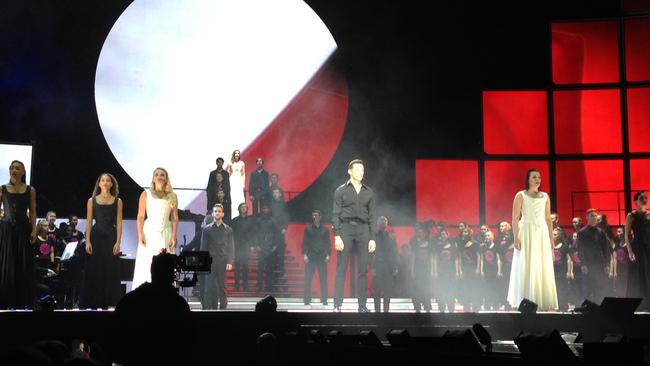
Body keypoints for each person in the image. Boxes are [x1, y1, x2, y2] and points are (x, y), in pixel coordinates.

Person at [112, 253, 195, 365]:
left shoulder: (131, 300)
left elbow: (116, 342)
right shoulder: (179, 305)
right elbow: (188, 346)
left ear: (152, 271)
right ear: (172, 274)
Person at [507, 169, 558, 311]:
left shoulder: (545, 196)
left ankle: (541, 301)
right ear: (528, 179)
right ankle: (525, 300)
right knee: (526, 264)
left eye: (539, 177)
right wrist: (516, 237)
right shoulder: (521, 195)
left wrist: (551, 238)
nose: (537, 179)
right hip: (526, 231)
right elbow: (515, 217)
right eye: (534, 177)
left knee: (541, 264)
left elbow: (548, 218)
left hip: (541, 233)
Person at [332, 159, 376, 313]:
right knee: (341, 268)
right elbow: (335, 214)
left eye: (363, 170)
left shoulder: (368, 191)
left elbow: (372, 216)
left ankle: (362, 306)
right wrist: (337, 236)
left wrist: (372, 238)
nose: (361, 173)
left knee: (363, 270)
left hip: (363, 230)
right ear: (350, 171)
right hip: (345, 229)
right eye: (358, 170)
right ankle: (337, 304)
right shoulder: (341, 191)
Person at [80, 173, 123, 309]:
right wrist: (87, 241)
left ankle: (108, 301)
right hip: (96, 236)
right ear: (99, 184)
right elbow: (88, 222)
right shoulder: (91, 200)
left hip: (111, 236)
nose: (105, 182)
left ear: (111, 184)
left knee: (109, 268)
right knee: (95, 269)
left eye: (107, 180)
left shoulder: (118, 201)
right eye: (102, 180)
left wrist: (118, 242)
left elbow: (119, 223)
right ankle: (94, 301)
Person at [132, 168, 179, 290]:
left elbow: (174, 218)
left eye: (162, 175)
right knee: (147, 264)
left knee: (165, 264)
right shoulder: (145, 194)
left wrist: (174, 236)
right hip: (149, 232)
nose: (159, 177)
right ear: (153, 178)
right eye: (157, 174)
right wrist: (140, 234)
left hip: (166, 232)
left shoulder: (172, 196)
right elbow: (141, 216)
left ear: (166, 178)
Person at [0, 160, 37, 309]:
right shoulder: (3, 188)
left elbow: (33, 211)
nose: (14, 170)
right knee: (8, 263)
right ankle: (6, 299)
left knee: (22, 262)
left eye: (17, 168)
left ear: (23, 172)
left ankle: (22, 301)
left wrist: (34, 229)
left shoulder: (30, 189)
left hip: (23, 230)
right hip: (7, 230)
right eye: (12, 168)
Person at [200, 204, 234, 310]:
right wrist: (203, 262)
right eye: (215, 211)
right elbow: (203, 247)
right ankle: (207, 309)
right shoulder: (206, 229)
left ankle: (223, 309)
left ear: (222, 214)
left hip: (222, 261)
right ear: (212, 213)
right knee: (208, 287)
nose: (217, 213)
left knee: (222, 287)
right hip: (210, 261)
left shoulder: (228, 229)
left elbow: (231, 247)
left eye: (219, 211)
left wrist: (229, 262)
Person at [575, 208, 609, 304]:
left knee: (599, 286)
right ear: (587, 217)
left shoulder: (600, 232)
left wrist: (607, 264)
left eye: (595, 216)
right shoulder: (581, 232)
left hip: (599, 264)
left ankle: (599, 306)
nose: (594, 218)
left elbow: (605, 249)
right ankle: (587, 307)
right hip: (588, 264)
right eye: (592, 216)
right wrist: (583, 264)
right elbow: (580, 249)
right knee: (588, 287)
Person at [625, 191, 650, 310]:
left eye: (646, 198)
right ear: (636, 201)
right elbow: (626, 235)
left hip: (648, 247)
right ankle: (638, 304)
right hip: (637, 248)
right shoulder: (631, 215)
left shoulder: (649, 214)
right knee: (638, 275)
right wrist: (630, 251)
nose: (644, 199)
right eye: (641, 198)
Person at [302, 209, 331, 305]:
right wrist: (304, 254)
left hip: (322, 257)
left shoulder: (325, 229)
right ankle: (307, 300)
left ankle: (324, 299)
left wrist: (328, 255)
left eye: (316, 215)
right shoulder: (308, 229)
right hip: (310, 257)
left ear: (320, 217)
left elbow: (328, 243)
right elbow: (304, 242)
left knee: (323, 279)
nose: (314, 217)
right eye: (313, 215)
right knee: (308, 279)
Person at [372, 216, 398, 312]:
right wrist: (372, 267)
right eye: (381, 220)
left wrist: (395, 266)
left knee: (387, 290)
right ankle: (377, 311)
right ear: (378, 223)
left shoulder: (391, 237)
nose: (383, 222)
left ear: (387, 223)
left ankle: (386, 311)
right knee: (377, 290)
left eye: (385, 220)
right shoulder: (374, 237)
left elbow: (394, 253)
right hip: (378, 265)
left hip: (388, 266)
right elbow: (371, 253)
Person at [410, 223, 433, 312]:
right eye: (418, 232)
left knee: (426, 288)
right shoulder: (414, 244)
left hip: (427, 270)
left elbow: (432, 258)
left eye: (421, 232)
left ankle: (427, 306)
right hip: (417, 270)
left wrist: (433, 270)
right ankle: (417, 307)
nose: (419, 234)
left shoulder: (430, 244)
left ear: (425, 234)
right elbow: (412, 257)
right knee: (417, 288)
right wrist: (412, 270)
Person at [231, 202, 252, 292]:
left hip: (246, 245)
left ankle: (246, 286)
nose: (243, 209)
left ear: (247, 209)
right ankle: (236, 286)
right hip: (238, 245)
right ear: (239, 209)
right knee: (237, 267)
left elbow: (253, 234)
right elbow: (232, 234)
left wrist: (252, 245)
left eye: (245, 207)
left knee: (246, 267)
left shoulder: (250, 220)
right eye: (242, 207)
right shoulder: (235, 220)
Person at [226, 149, 246, 219]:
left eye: (238, 153)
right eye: (236, 153)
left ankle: (241, 214)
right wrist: (227, 184)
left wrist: (243, 184)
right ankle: (233, 216)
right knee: (233, 198)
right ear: (233, 154)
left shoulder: (242, 163)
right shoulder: (230, 163)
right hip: (232, 181)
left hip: (239, 181)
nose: (237, 154)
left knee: (239, 198)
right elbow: (228, 174)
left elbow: (243, 174)